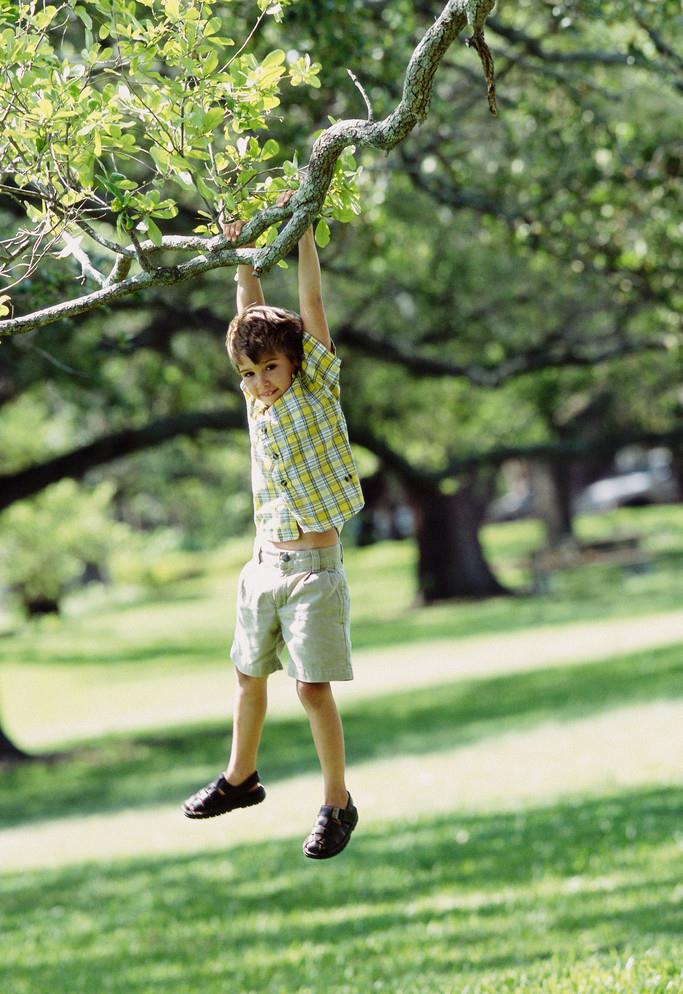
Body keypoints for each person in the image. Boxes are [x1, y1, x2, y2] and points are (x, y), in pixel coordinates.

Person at [182, 195, 365, 859]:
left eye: (270, 368)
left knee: (310, 689)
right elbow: (246, 320)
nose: (260, 382)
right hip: (262, 567)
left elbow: (308, 308)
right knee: (246, 676)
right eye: (250, 373)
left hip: (313, 574)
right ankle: (241, 777)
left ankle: (336, 803)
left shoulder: (316, 390)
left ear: (295, 362)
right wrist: (240, 257)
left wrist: (303, 234)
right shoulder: (257, 403)